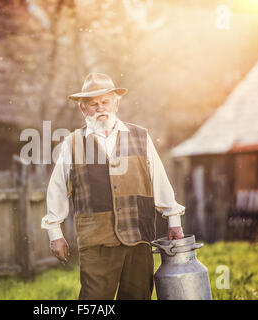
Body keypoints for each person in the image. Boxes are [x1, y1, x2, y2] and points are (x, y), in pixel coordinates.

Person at [41, 72, 185, 300]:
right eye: (92, 104)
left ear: (116, 103)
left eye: (105, 101)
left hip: (139, 237)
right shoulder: (73, 144)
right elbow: (57, 189)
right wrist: (54, 232)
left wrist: (174, 220)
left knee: (138, 297)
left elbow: (160, 180)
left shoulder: (140, 136)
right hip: (96, 241)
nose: (100, 108)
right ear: (83, 109)